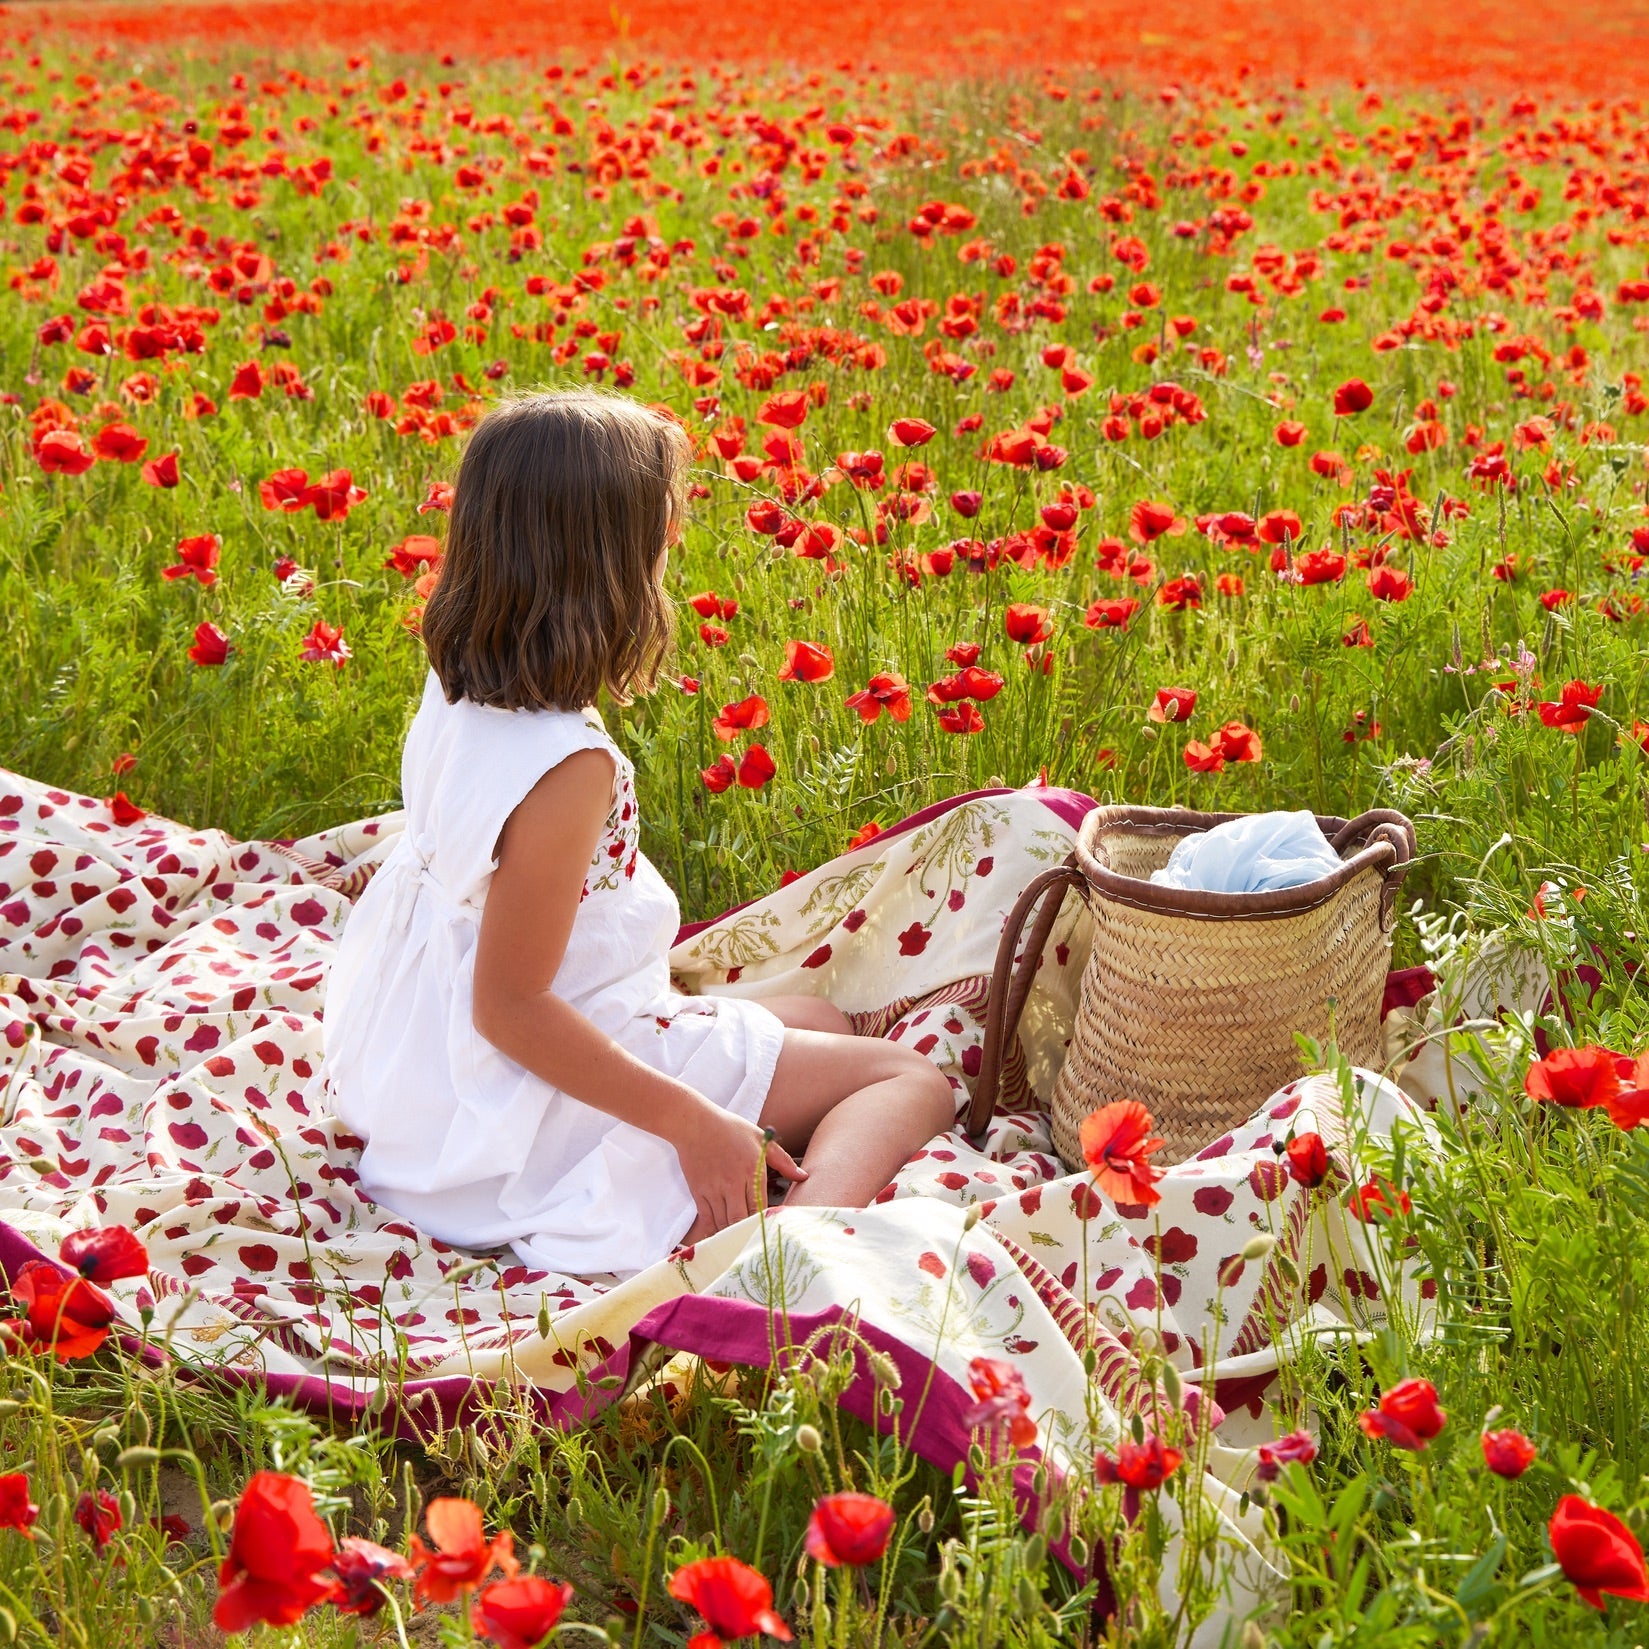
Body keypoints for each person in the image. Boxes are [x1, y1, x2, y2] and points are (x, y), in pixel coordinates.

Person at [321, 390, 955, 1277]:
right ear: (607, 565)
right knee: (910, 1079)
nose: (671, 548)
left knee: (818, 1017)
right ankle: (779, 1264)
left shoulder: (460, 685)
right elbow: (509, 1007)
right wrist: (694, 1125)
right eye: (660, 532)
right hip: (520, 1102)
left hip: (429, 1069)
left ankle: (744, 1159)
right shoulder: (565, 767)